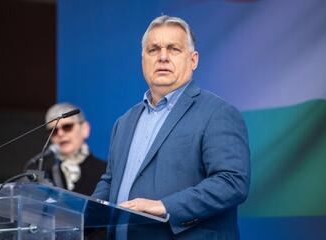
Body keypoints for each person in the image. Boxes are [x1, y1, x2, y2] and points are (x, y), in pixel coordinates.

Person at [92, 15, 250, 239]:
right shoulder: (124, 122)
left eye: (173, 49)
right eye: (153, 49)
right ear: (143, 61)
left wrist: (165, 206)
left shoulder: (217, 112)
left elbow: (232, 182)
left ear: (193, 60)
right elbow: (111, 181)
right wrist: (83, 213)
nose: (162, 57)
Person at [41, 102, 107, 196]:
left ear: (85, 129)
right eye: (54, 131)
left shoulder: (105, 172)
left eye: (67, 127)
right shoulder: (45, 177)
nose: (60, 134)